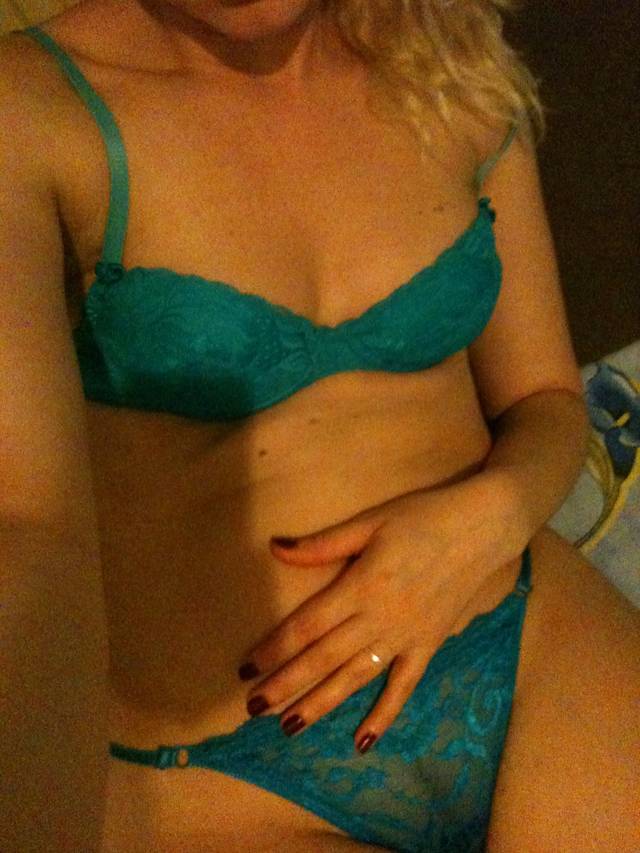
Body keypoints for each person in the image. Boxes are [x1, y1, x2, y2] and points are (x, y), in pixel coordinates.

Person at [1, 1, 638, 851]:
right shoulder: (33, 111)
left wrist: (481, 522)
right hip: (223, 767)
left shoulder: (445, 59)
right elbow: (30, 531)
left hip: (519, 636)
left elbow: (548, 399)